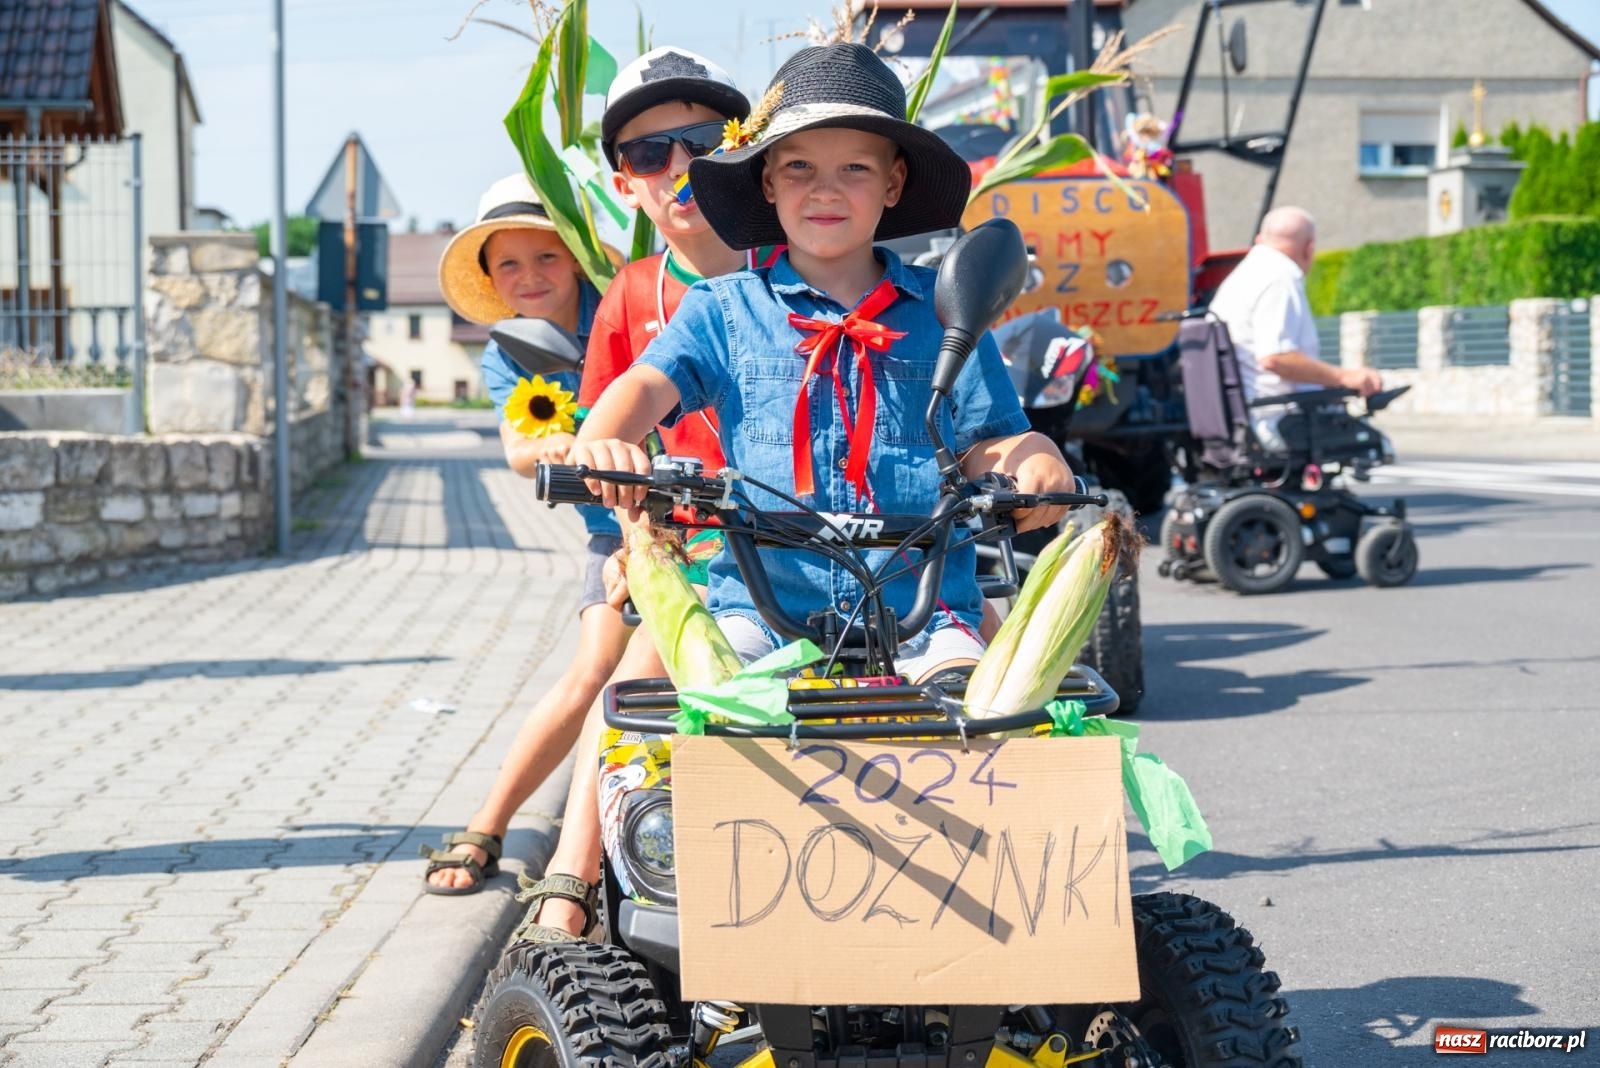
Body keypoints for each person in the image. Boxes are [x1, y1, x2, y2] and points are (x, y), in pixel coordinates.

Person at [521, 42, 1075, 942]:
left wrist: (1033, 453)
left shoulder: (942, 310)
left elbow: (988, 440)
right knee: (691, 728)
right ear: (767, 187)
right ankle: (676, 907)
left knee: (988, 725)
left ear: (894, 184)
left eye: (854, 167)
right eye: (800, 168)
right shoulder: (721, 310)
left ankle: (977, 935)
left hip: (922, 608)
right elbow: (645, 390)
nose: (827, 188)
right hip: (764, 606)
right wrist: (607, 436)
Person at [419, 50, 752, 896]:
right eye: (649, 154)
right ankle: (550, 860)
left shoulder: (793, 277)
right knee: (606, 675)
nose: (677, 166)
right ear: (625, 179)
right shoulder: (624, 302)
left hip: (781, 535)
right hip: (652, 529)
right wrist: (638, 538)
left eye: (703, 141)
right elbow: (571, 433)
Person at [1208, 206, 1382, 451]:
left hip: (1240, 415)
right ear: (1309, 248)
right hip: (1277, 418)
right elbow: (1276, 358)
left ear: (1260, 239)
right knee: (1376, 444)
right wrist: (1346, 377)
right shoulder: (1279, 278)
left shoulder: (1241, 276)